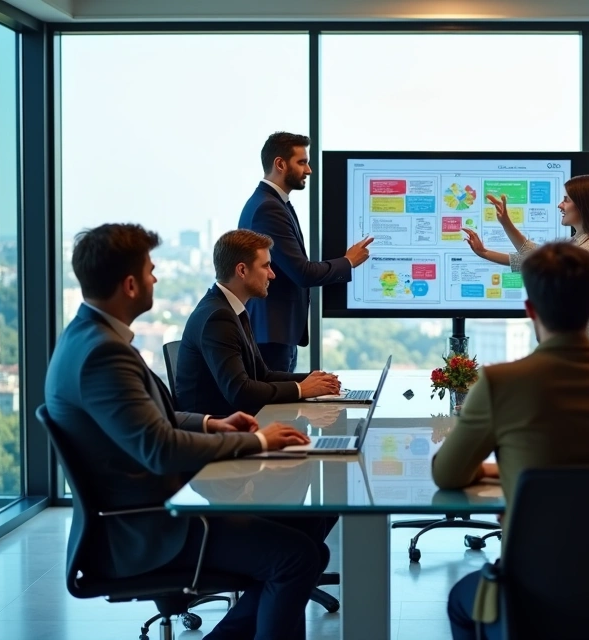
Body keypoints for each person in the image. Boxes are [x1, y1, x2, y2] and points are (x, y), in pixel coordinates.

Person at [45, 223, 324, 640]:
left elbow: (158, 418)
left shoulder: (89, 337)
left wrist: (212, 423)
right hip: (148, 529)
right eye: (150, 270)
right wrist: (259, 441)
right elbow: (159, 448)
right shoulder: (103, 354)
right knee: (297, 556)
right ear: (130, 285)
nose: (156, 278)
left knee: (304, 539)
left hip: (155, 512)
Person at [435, 242, 589, 640]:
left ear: (530, 311)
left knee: (460, 600)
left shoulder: (501, 382)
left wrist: (504, 470)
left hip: (535, 585)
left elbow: (448, 475)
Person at [239, 132, 374, 372]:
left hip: (278, 332)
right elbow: (301, 272)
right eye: (302, 162)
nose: (309, 170)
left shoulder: (272, 203)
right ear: (280, 164)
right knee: (273, 408)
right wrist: (348, 262)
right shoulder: (268, 208)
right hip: (272, 333)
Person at [175, 229, 342, 416]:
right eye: (266, 266)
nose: (272, 275)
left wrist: (315, 380)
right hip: (219, 431)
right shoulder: (218, 318)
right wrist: (301, 389)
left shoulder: (231, 308)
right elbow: (240, 392)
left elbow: (262, 375)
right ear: (242, 270)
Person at [461, 174, 589, 353]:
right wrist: (501, 229)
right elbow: (536, 256)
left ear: (584, 206)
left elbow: (540, 263)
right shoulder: (581, 243)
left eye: (566, 200)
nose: (560, 205)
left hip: (584, 349)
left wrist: (486, 252)